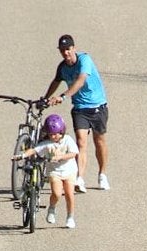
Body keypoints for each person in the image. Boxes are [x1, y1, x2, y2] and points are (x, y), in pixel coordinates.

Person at [44, 34, 110, 193]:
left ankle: (102, 174)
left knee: (99, 141)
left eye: (68, 49)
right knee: (81, 142)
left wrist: (63, 96)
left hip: (97, 107)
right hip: (80, 108)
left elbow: (80, 81)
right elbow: (56, 81)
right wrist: (45, 99)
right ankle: (80, 178)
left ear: (74, 48)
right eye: (62, 50)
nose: (65, 53)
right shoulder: (62, 67)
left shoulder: (84, 60)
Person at [13, 114, 78, 229]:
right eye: (50, 134)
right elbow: (34, 150)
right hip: (55, 172)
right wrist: (21, 155)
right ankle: (52, 208)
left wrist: (61, 157)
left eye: (56, 134)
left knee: (69, 194)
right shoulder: (46, 144)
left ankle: (70, 217)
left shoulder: (68, 140)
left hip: (70, 171)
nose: (53, 136)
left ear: (62, 131)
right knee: (57, 193)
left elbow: (74, 153)